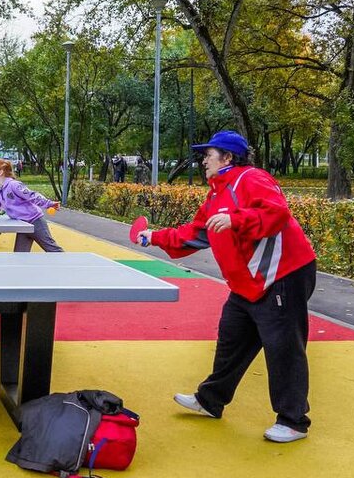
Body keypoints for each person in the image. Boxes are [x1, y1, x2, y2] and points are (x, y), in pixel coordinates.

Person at [133, 130, 317, 443]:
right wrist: (154, 236)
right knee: (232, 338)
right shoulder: (216, 194)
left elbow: (277, 213)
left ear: (228, 157)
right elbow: (195, 234)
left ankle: (293, 420)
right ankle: (210, 400)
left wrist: (236, 220)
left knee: (283, 347)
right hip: (247, 283)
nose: (204, 160)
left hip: (281, 274)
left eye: (209, 154)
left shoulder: (251, 178)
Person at [0, 158, 63, 252]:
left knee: (53, 250)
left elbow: (32, 195)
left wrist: (50, 204)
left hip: (35, 222)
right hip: (22, 225)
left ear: (1, 172)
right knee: (19, 257)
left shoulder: (14, 185)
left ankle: (71, 267)